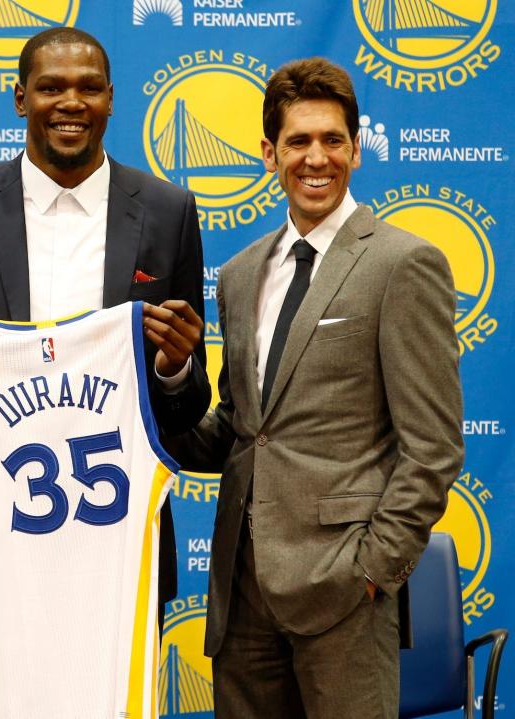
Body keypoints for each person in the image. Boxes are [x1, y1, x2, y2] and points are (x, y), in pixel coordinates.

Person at [0, 26, 211, 717]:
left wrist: (176, 369)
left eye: (89, 87)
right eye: (52, 87)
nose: (72, 102)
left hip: (120, 549)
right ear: (19, 98)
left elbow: (185, 408)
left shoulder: (168, 210)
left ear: (112, 100)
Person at [165, 57, 464, 718]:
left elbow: (434, 449)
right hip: (241, 596)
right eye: (298, 141)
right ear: (270, 153)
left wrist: (369, 573)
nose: (316, 157)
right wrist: (165, 381)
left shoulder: (402, 262)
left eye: (333, 139)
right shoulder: (240, 275)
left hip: (343, 594)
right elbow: (240, 430)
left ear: (357, 147)